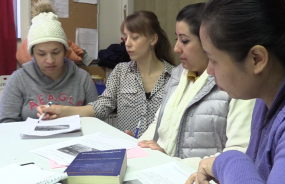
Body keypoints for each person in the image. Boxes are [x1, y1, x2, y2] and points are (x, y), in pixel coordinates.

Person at [186, 0, 285, 183]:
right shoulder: (267, 98)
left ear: (256, 59)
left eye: (212, 59)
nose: (209, 70)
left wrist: (227, 161)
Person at [126, 3, 255, 170]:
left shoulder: (237, 82)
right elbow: (159, 123)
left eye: (185, 41)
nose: (176, 48)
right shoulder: (178, 74)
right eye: (176, 39)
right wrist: (140, 146)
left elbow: (238, 153)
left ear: (208, 43)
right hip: (161, 171)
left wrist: (170, 162)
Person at [37, 11, 175, 137]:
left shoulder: (175, 76)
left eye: (134, 37)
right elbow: (101, 106)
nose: (127, 44)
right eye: (125, 38)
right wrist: (62, 111)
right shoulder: (121, 72)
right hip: (129, 150)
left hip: (161, 153)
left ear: (153, 39)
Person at [0, 0, 98, 123]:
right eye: (41, 54)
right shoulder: (18, 80)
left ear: (65, 51)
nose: (50, 60)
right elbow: (6, 124)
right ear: (33, 54)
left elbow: (97, 118)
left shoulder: (82, 79)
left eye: (56, 52)